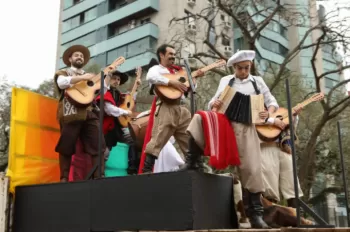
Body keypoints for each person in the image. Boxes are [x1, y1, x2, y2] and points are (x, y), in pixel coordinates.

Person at [206, 50, 284, 228]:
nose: (244, 71)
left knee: (252, 168)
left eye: (247, 68)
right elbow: (213, 102)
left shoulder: (258, 82)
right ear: (234, 67)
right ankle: (218, 212)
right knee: (222, 166)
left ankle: (255, 214)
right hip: (226, 125)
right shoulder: (226, 81)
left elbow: (272, 102)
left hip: (248, 126)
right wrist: (214, 104)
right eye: (240, 68)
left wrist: (268, 113)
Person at [140, 44, 204, 173]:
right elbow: (150, 77)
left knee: (189, 135)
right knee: (159, 135)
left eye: (174, 54)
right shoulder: (157, 69)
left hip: (181, 108)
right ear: (161, 55)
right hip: (166, 105)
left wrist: (194, 80)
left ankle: (195, 164)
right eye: (170, 54)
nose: (173, 57)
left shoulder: (178, 71)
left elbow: (188, 89)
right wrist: (170, 82)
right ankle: (147, 168)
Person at [53, 44, 108, 182]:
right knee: (67, 144)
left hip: (89, 113)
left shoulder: (89, 76)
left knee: (98, 144)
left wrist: (105, 78)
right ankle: (64, 178)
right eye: (77, 55)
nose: (80, 57)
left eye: (82, 56)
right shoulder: (63, 73)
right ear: (70, 59)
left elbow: (102, 91)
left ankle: (98, 177)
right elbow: (62, 84)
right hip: (70, 112)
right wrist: (82, 79)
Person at [261, 111, 304, 208]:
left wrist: (294, 116)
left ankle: (296, 216)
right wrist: (272, 120)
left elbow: (289, 125)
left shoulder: (275, 105)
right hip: (266, 144)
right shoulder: (257, 101)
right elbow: (255, 119)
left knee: (292, 181)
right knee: (269, 182)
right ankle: (271, 215)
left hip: (284, 146)